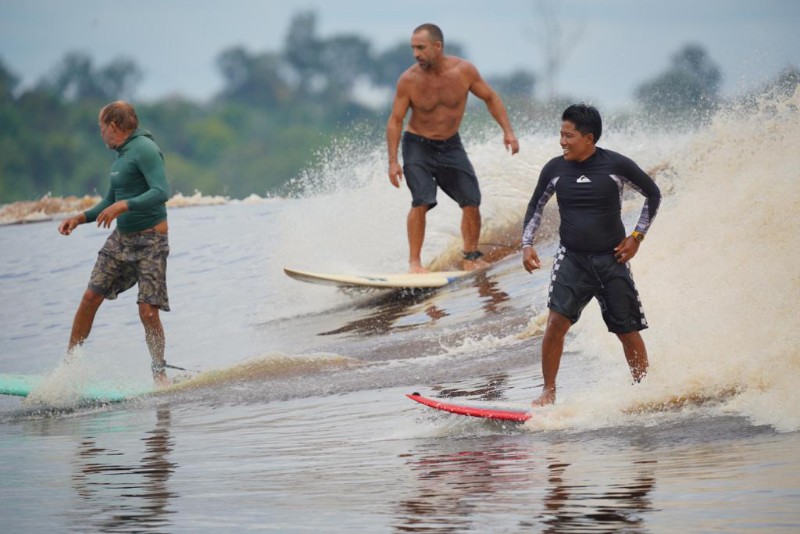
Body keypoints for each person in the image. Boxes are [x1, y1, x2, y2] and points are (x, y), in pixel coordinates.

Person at [521, 104, 661, 406]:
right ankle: (548, 391)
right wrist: (527, 244)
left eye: (568, 136)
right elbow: (536, 206)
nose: (562, 142)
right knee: (555, 324)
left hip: (613, 260)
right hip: (571, 260)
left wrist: (636, 237)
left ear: (589, 138)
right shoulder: (554, 169)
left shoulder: (616, 165)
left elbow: (653, 194)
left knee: (627, 330)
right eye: (561, 134)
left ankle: (644, 390)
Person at [386, 23, 519, 273]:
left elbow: (490, 97)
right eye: (413, 48)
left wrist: (508, 131)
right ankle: (415, 264)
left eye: (421, 48)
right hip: (417, 146)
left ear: (438, 46)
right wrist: (393, 162)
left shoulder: (463, 71)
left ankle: (470, 257)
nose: (416, 54)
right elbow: (395, 120)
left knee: (471, 200)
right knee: (422, 200)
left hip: (450, 145)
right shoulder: (409, 80)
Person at [58, 100, 172, 386]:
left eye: (101, 128)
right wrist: (80, 218)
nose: (101, 135)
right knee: (90, 297)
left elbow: (161, 192)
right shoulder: (122, 156)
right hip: (122, 239)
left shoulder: (145, 149)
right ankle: (69, 368)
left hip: (152, 241)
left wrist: (124, 206)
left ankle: (159, 373)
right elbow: (110, 200)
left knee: (147, 311)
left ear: (112, 126)